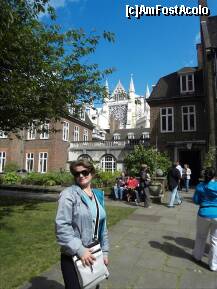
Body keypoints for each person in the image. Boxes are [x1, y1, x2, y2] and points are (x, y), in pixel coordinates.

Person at [55, 159, 109, 289]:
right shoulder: (68, 195)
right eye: (76, 173)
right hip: (74, 256)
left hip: (94, 253)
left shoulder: (98, 195)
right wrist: (80, 250)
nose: (80, 176)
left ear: (92, 173)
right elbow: (62, 227)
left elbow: (103, 227)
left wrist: (105, 252)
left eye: (84, 172)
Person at [192, 167, 217, 271]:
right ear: (215, 175)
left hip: (204, 213)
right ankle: (213, 265)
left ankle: (197, 256)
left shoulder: (200, 186)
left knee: (201, 237)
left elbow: (196, 200)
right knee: (215, 240)